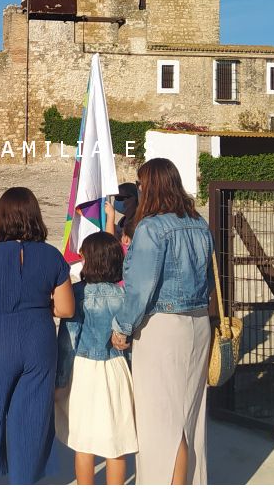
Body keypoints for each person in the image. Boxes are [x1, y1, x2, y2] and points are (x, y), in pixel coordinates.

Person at [0, 187, 75, 485]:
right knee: (31, 422)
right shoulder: (51, 255)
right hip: (37, 339)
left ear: (1, 216)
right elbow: (67, 309)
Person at [110, 158, 213, 485]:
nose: (138, 190)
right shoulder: (199, 223)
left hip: (164, 327)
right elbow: (209, 279)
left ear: (150, 186)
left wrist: (122, 327)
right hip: (199, 322)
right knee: (190, 418)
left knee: (160, 420)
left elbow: (140, 288)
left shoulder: (151, 228)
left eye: (141, 185)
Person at [54, 232, 138, 485]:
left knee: (84, 442)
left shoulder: (78, 293)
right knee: (117, 441)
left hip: (83, 370)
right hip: (116, 367)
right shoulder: (125, 296)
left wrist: (60, 380)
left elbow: (68, 341)